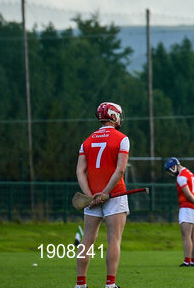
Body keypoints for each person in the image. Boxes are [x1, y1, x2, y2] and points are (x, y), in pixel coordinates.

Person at [75, 102, 131, 288]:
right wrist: (105, 193)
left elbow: (80, 171)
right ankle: (110, 284)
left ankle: (81, 284)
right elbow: (120, 171)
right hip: (115, 195)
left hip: (92, 199)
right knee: (113, 239)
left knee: (87, 240)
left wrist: (90, 196)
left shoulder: (87, 141)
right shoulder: (122, 139)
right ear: (114, 116)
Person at [164, 157, 194, 267]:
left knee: (186, 235)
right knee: (193, 236)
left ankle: (187, 261)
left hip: (187, 207)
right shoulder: (190, 174)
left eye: (170, 170)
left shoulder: (181, 177)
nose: (171, 173)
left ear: (173, 166)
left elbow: (188, 194)